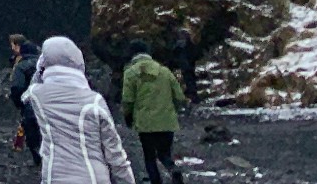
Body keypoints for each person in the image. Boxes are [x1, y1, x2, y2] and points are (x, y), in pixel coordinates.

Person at [22, 36, 133, 184]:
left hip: (55, 177)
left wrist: (41, 67)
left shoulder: (38, 95)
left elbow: (29, 89)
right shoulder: (94, 101)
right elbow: (115, 155)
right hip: (93, 177)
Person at [120, 39, 186, 184]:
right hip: (167, 120)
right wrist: (173, 110)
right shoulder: (164, 71)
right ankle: (172, 168)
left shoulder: (131, 73)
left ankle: (156, 181)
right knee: (164, 153)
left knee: (149, 156)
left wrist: (128, 117)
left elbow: (128, 100)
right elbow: (179, 96)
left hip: (145, 123)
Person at [10, 36, 43, 166]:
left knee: (29, 130)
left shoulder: (21, 66)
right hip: (48, 104)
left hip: (29, 104)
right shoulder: (45, 66)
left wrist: (18, 103)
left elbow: (17, 87)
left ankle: (36, 156)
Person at [169, 29, 199, 106]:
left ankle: (190, 96)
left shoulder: (179, 45)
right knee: (188, 81)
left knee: (188, 81)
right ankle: (191, 96)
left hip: (186, 67)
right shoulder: (185, 45)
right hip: (186, 67)